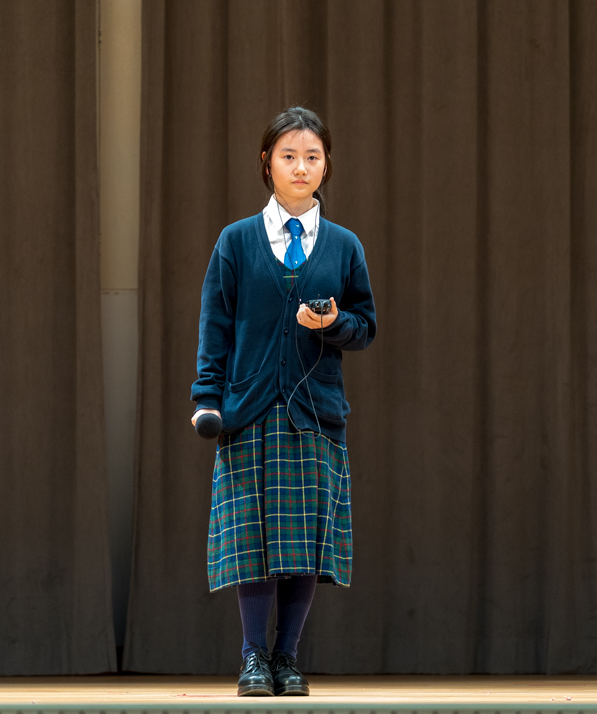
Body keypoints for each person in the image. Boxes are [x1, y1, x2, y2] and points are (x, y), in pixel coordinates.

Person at [191, 106, 377, 696]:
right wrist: (206, 399)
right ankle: (253, 658)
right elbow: (215, 327)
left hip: (314, 412)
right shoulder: (236, 241)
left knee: (302, 545)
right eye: (289, 156)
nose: (301, 167)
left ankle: (287, 658)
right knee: (252, 541)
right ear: (267, 163)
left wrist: (332, 323)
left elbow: (365, 326)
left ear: (326, 165)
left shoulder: (343, 245)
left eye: (312, 157)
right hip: (247, 410)